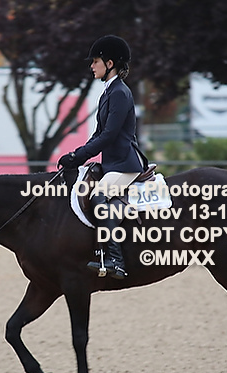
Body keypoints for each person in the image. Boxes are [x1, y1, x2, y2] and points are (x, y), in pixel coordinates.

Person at [58, 35, 148, 280]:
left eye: (95, 61)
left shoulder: (119, 93)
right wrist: (76, 155)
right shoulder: (109, 92)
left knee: (98, 196)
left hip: (125, 164)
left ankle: (115, 259)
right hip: (113, 163)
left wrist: (78, 156)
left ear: (110, 64)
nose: (91, 66)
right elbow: (98, 133)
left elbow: (109, 136)